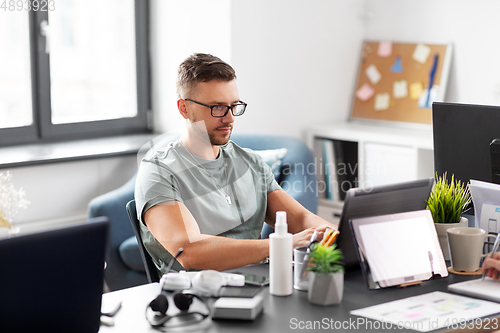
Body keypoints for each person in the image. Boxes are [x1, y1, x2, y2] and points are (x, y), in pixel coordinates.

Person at [135, 53, 334, 273]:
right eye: (217, 107)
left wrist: (336, 234)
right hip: (199, 299)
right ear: (184, 108)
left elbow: (300, 218)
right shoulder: (158, 172)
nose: (230, 118)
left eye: (234, 106)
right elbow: (189, 252)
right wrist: (281, 245)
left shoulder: (251, 163)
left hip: (264, 291)